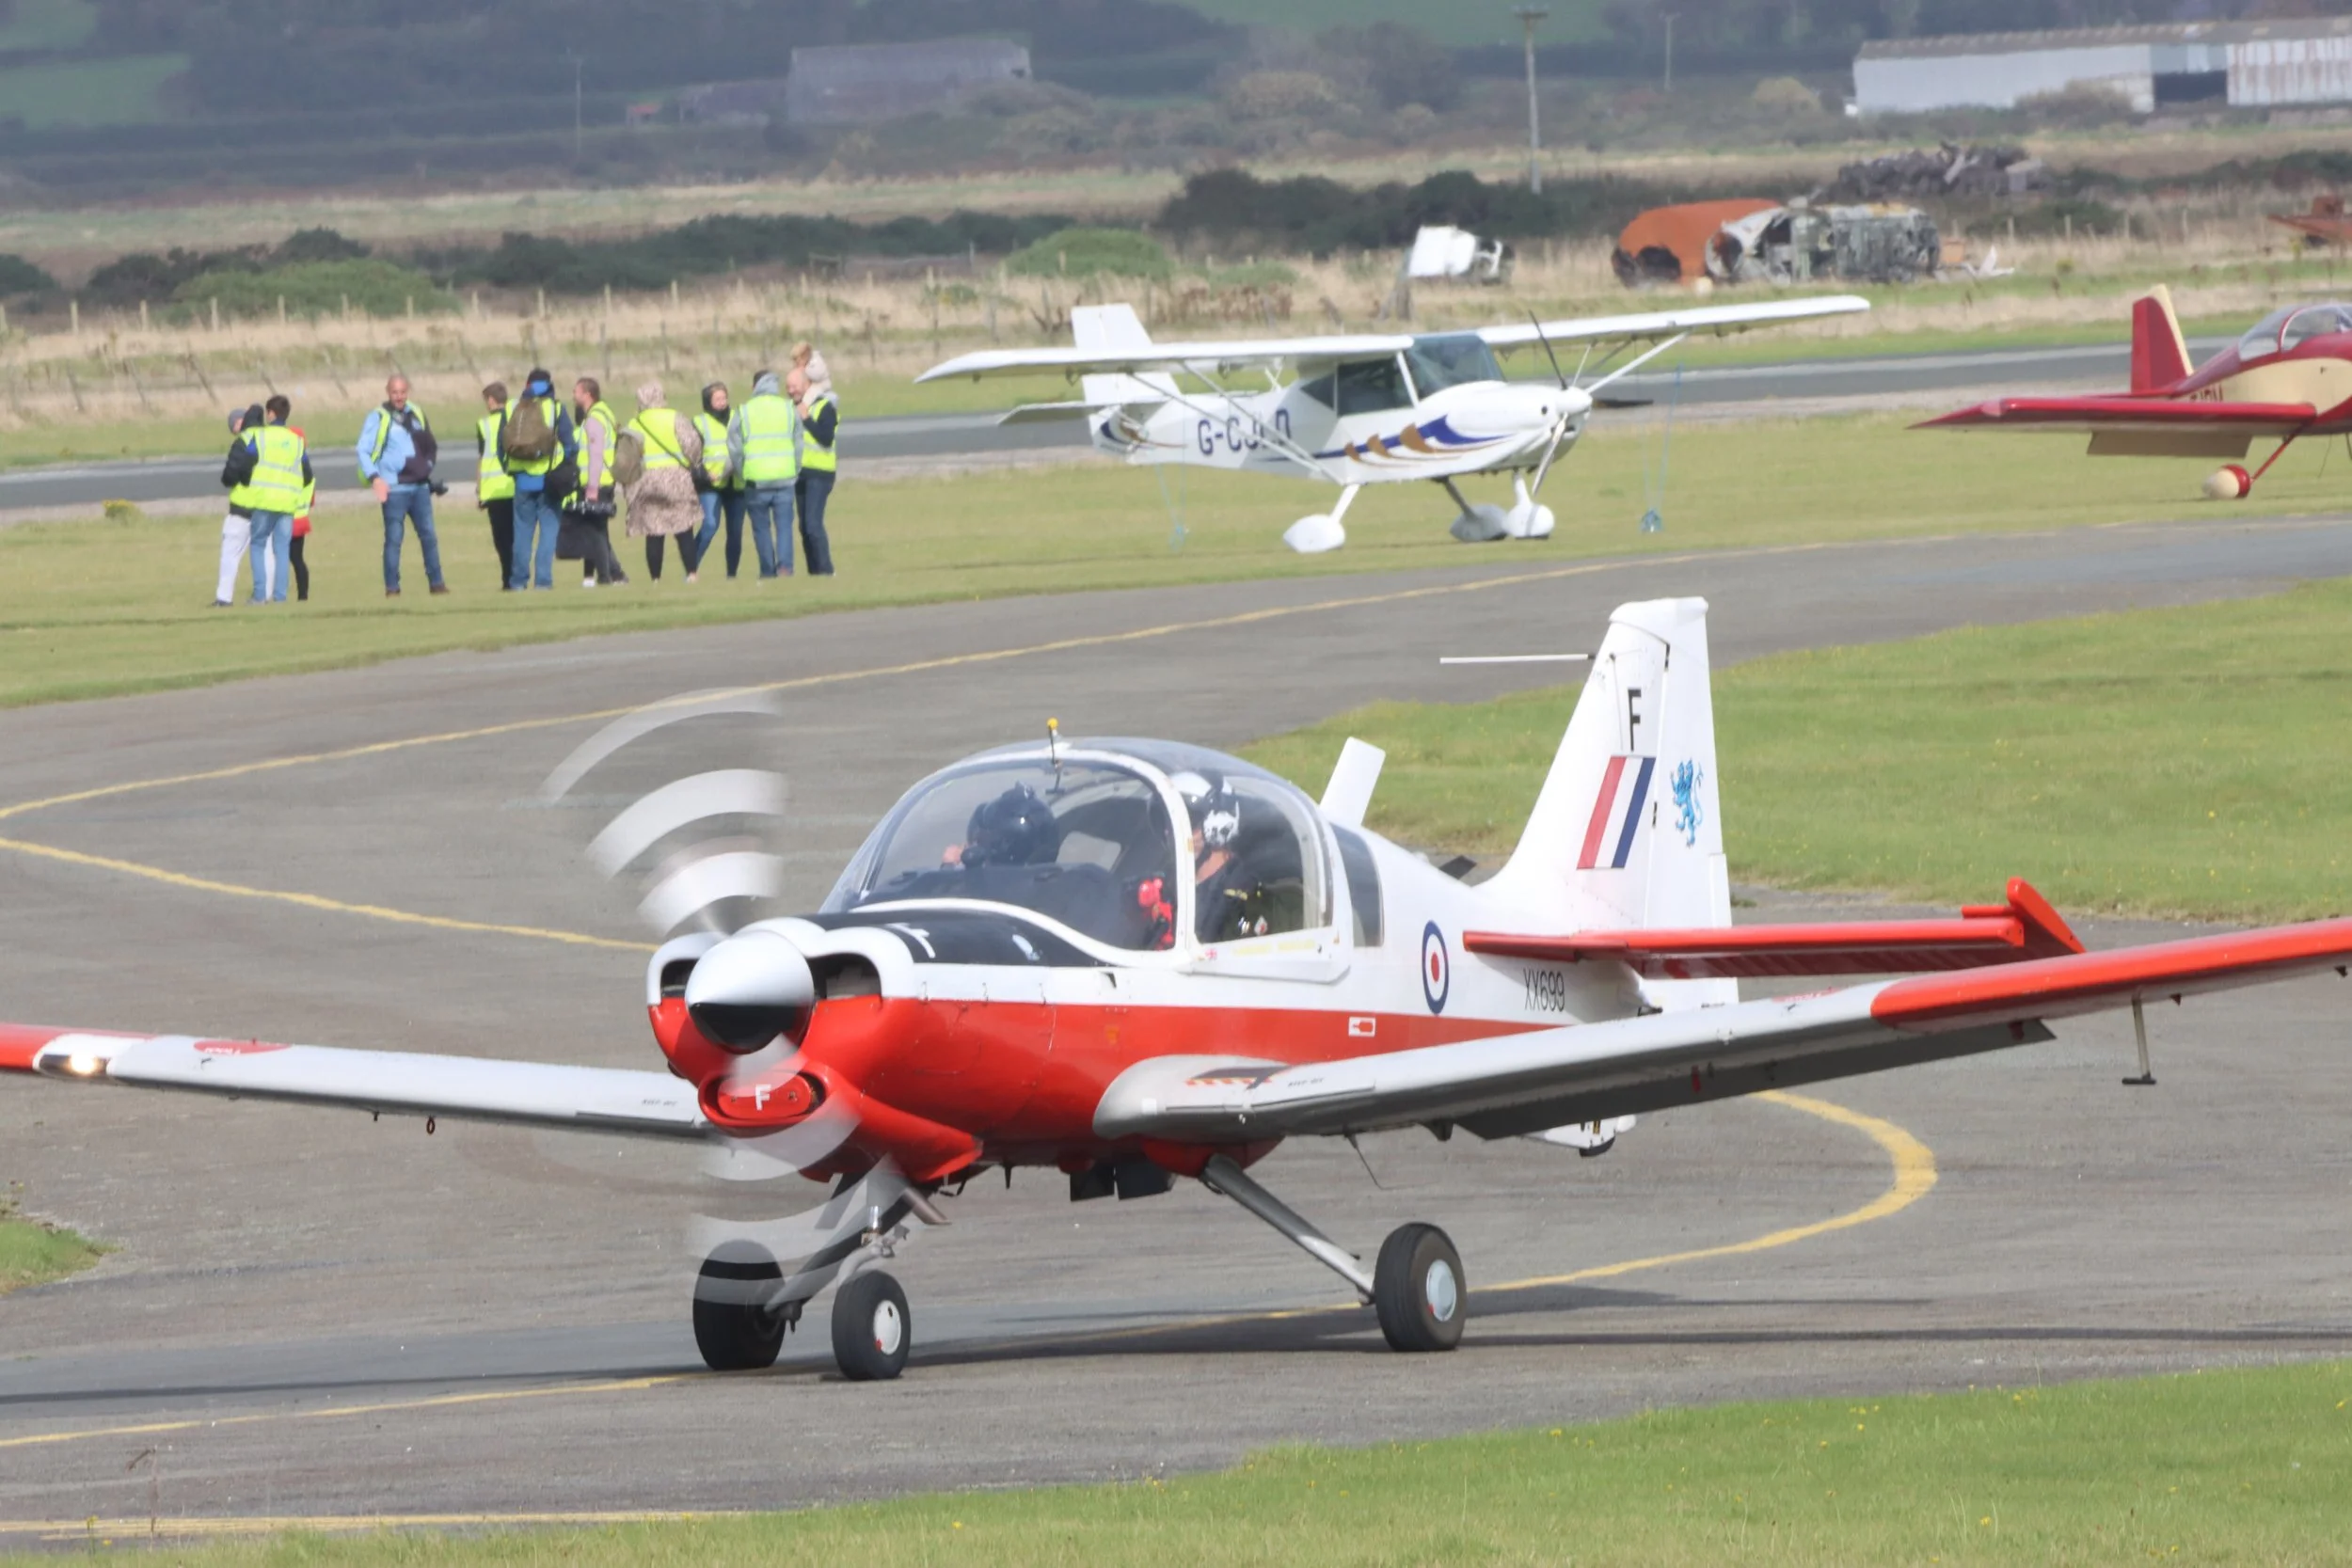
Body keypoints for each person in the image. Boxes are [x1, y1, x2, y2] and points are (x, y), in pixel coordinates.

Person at [356, 373, 447, 599]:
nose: (399, 397)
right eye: (395, 392)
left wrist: (427, 466)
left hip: (420, 488)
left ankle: (437, 584)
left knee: (429, 536)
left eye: (403, 392)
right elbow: (362, 450)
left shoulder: (416, 413)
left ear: (408, 392)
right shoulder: (378, 417)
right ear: (388, 392)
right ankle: (392, 588)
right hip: (394, 489)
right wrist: (376, 477)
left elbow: (430, 445)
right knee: (394, 540)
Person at [222, 394, 311, 606]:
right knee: (281, 550)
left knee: (258, 545)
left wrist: (248, 480)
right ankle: (279, 597)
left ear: (270, 414)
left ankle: (260, 595)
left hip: (264, 501)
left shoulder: (260, 437)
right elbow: (307, 474)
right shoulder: (296, 441)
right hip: (288, 504)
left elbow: (245, 464)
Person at [621, 379, 704, 581]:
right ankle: (691, 573)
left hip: (647, 481)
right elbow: (692, 444)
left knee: (654, 531)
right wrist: (693, 463)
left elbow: (627, 458)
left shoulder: (634, 423)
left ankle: (655, 579)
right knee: (683, 528)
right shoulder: (674, 417)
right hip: (676, 479)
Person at [501, 367, 574, 591]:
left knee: (522, 534)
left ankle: (518, 582)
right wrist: (562, 469)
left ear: (527, 384)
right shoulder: (555, 408)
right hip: (548, 481)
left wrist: (510, 469)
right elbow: (569, 444)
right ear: (550, 385)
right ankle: (543, 582)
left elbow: (500, 444)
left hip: (521, 480)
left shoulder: (512, 407)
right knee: (548, 533)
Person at [728, 370, 801, 578]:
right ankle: (785, 567)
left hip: (755, 480)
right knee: (785, 526)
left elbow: (734, 447)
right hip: (785, 476)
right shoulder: (788, 408)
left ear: (754, 387)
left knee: (761, 529)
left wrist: (743, 472)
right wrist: (794, 469)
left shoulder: (743, 411)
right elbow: (798, 443)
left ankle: (767, 570)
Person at [564, 376, 627, 587]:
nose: (573, 395)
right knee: (596, 530)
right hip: (603, 481)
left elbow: (596, 454)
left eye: (576, 391)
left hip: (596, 484)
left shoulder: (594, 419)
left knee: (595, 531)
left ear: (587, 394)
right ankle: (601, 575)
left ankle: (607, 576)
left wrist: (591, 486)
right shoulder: (602, 414)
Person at [690, 382, 744, 581]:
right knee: (710, 525)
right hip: (710, 486)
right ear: (708, 402)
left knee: (735, 533)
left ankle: (731, 575)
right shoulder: (698, 422)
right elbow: (691, 456)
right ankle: (691, 568)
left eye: (724, 398)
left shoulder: (738, 418)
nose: (722, 403)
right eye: (718, 399)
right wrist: (705, 474)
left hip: (736, 483)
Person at [787, 365, 836, 577]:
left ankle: (826, 571)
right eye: (788, 387)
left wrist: (806, 419)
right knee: (804, 527)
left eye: (795, 386)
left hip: (820, 473)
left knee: (813, 524)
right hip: (800, 474)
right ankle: (814, 573)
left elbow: (826, 438)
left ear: (806, 384)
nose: (791, 390)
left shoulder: (825, 407)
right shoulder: (790, 408)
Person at [211, 405, 260, 609]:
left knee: (230, 554)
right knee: (266, 555)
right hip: (269, 507)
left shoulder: (244, 442)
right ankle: (265, 596)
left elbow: (230, 476)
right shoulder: (271, 439)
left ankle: (224, 598)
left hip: (242, 507)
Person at [474, 382, 516, 590]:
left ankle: (508, 579)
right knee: (518, 537)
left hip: (494, 490)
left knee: (502, 540)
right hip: (515, 487)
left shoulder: (484, 425)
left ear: (491, 400)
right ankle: (519, 576)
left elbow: (482, 459)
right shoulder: (515, 420)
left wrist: (479, 489)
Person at [288, 423, 315, 602]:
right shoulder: (308, 470)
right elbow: (311, 500)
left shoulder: (289, 468)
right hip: (301, 519)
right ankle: (303, 595)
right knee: (297, 560)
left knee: (281, 559)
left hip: (287, 518)